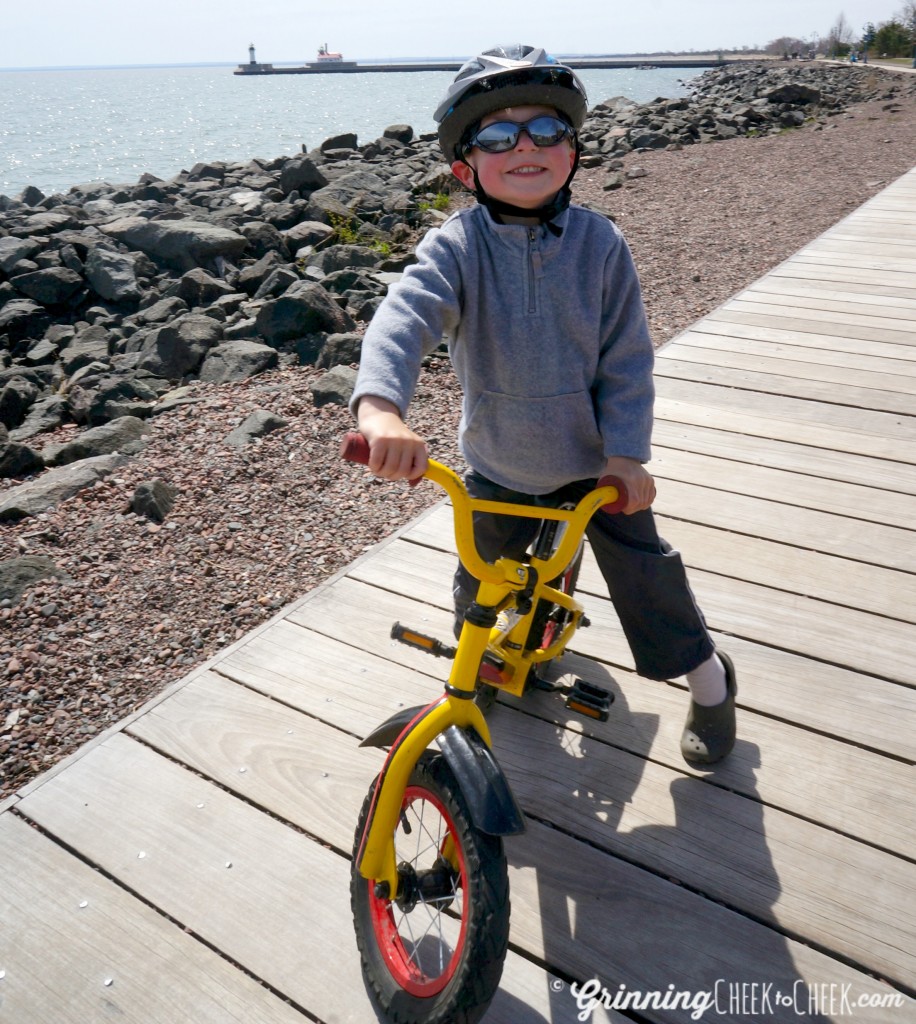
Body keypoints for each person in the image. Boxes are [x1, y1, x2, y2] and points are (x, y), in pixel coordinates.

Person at [349, 44, 736, 765]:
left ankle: (710, 681)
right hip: (497, 462)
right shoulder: (454, 248)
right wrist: (381, 411)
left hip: (595, 467)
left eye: (546, 131)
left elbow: (627, 358)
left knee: (645, 577)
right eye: (498, 136)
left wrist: (627, 454)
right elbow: (402, 320)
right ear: (466, 168)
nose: (524, 146)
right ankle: (478, 669)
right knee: (480, 581)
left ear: (573, 151)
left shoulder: (600, 244)